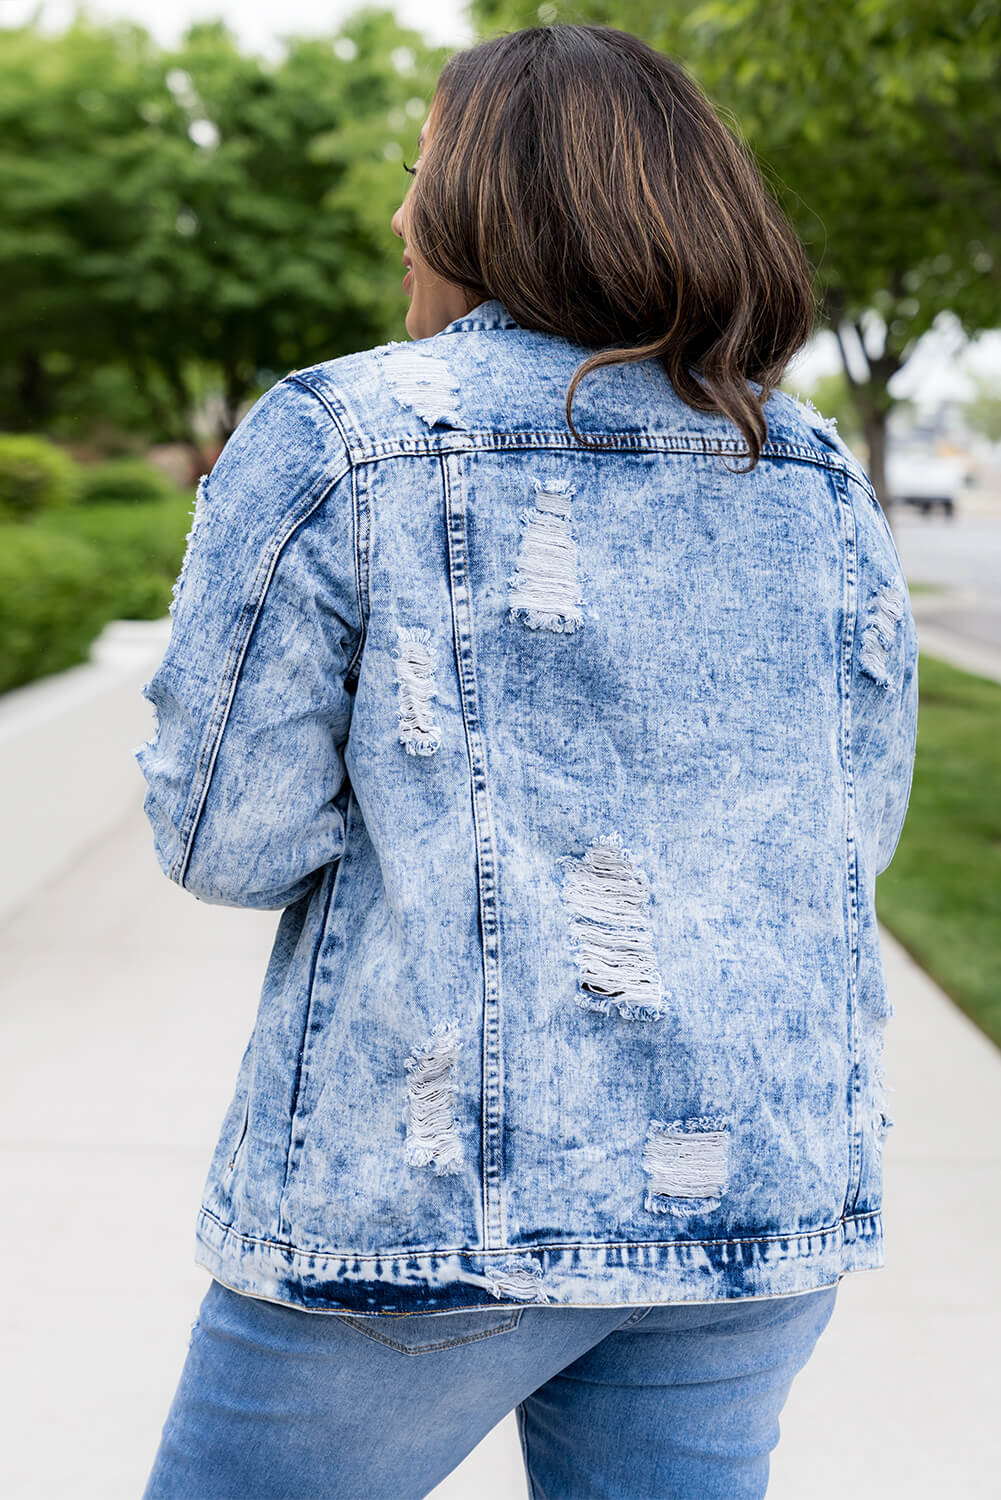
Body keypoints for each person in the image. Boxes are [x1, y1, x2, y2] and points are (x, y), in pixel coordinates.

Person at [137, 22, 918, 1500]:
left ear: (489, 199)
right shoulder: (810, 468)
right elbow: (847, 837)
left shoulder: (342, 438)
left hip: (426, 1207)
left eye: (421, 168)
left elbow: (223, 841)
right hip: (751, 1199)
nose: (398, 210)